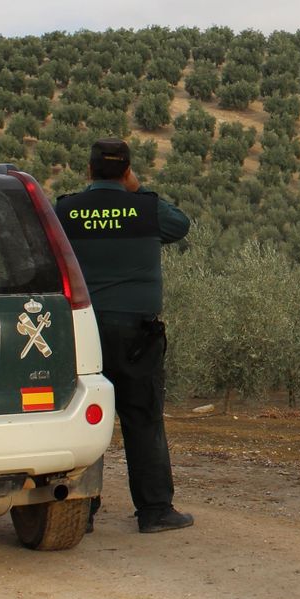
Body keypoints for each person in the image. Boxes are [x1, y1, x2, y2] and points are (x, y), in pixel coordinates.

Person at [57, 138, 194, 533]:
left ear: (89, 170)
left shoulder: (66, 210)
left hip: (82, 335)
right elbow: (180, 225)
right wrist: (135, 190)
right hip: (137, 335)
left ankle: (80, 512)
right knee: (143, 418)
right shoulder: (148, 210)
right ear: (127, 170)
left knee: (81, 418)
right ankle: (154, 512)